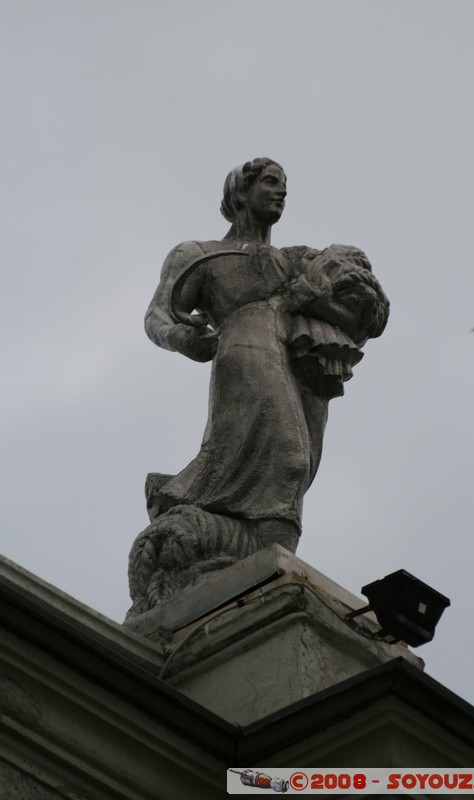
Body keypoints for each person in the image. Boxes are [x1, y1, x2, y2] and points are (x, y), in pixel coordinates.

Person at [127, 158, 388, 616]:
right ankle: (268, 577)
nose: (281, 192)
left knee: (299, 469)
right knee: (287, 458)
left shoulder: (294, 259)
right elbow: (158, 315)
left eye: (285, 186)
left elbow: (363, 314)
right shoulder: (199, 253)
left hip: (303, 361)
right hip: (246, 345)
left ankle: (258, 563)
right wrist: (184, 338)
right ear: (240, 193)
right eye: (270, 183)